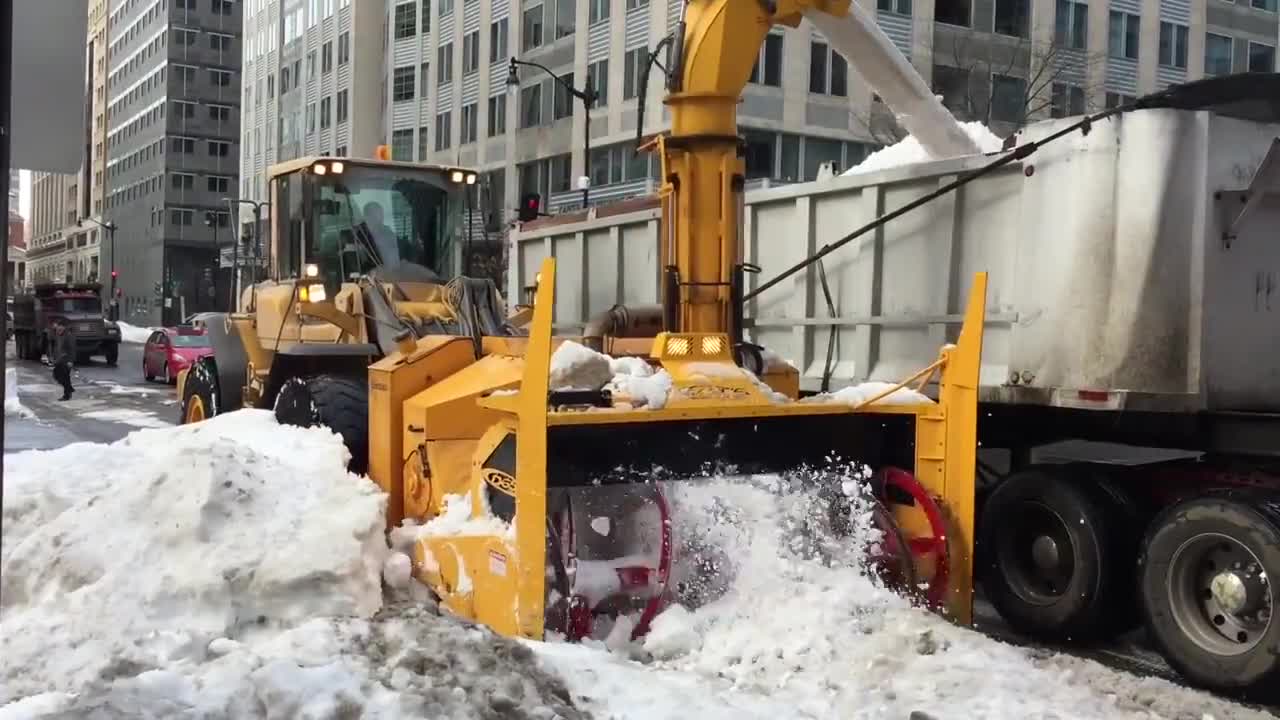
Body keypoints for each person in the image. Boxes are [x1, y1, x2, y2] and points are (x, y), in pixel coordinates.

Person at [50, 319, 75, 401]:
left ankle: (67, 395)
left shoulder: (68, 336)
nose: (59, 329)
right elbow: (56, 347)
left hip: (66, 360)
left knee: (65, 377)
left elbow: (72, 349)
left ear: (64, 327)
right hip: (59, 360)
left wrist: (70, 361)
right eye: (58, 328)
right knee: (56, 375)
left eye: (61, 327)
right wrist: (54, 358)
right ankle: (69, 389)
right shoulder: (57, 335)